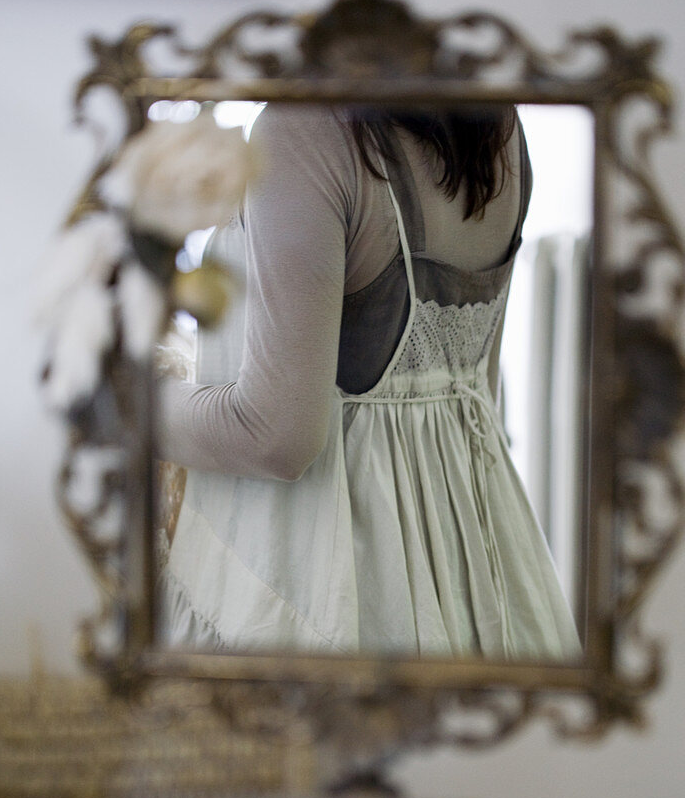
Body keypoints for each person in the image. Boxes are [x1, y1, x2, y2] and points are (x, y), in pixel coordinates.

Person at [156, 102, 580, 659]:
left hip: (328, 572)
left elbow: (276, 435)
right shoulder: (499, 124)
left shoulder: (306, 129)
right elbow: (479, 389)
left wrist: (131, 401)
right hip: (483, 551)